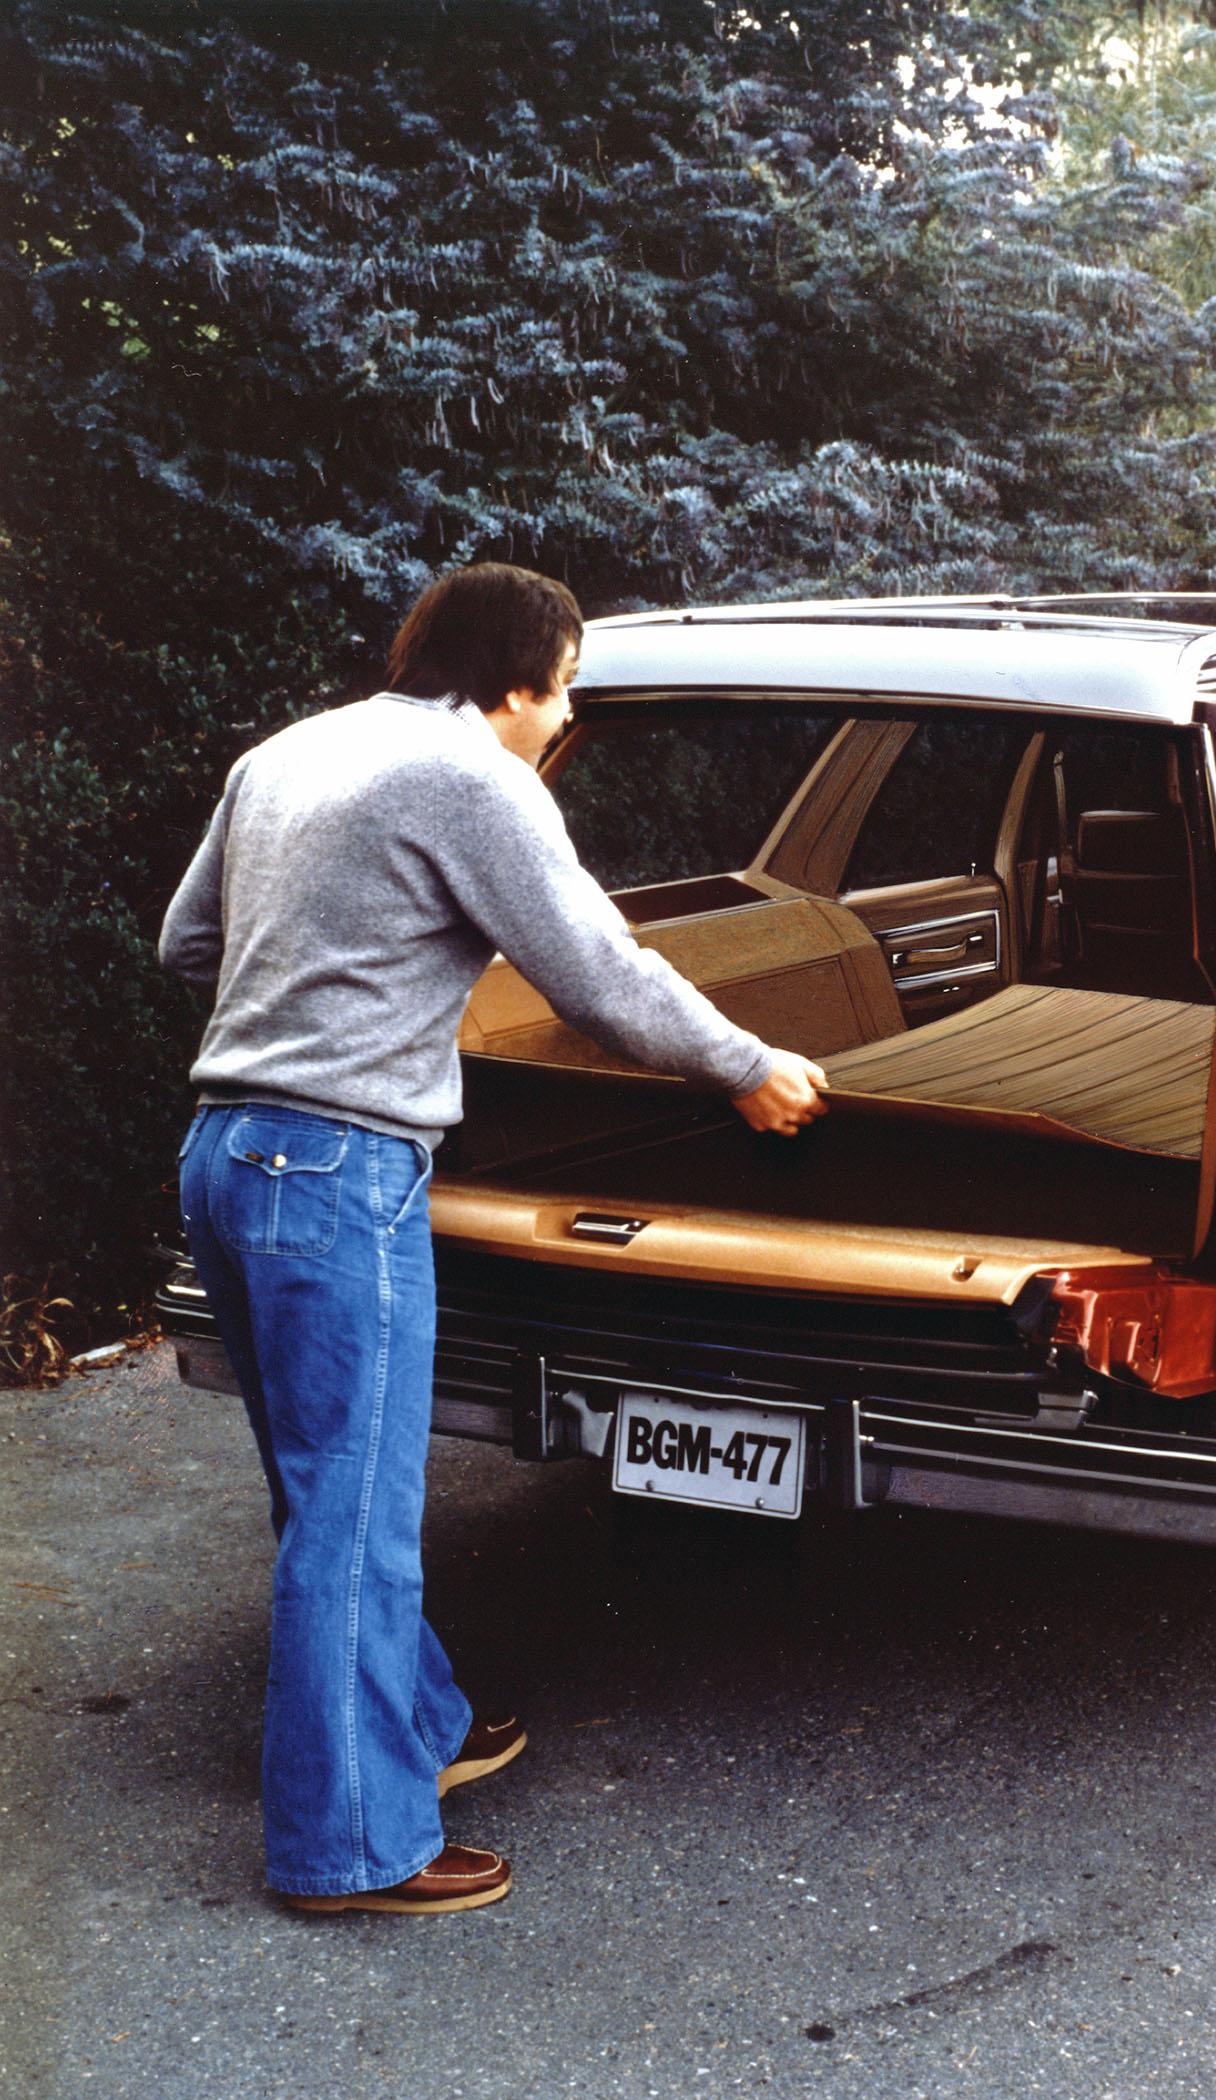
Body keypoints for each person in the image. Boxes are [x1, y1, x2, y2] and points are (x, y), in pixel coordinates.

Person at [159, 562, 825, 1916]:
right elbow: (599, 975)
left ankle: (422, 1729)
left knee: (324, 1496)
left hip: (222, 1157)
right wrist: (749, 1065)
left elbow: (189, 946)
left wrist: (333, 994)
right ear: (515, 679)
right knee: (356, 1521)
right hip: (339, 1170)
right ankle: (352, 1850)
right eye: (564, 685)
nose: (562, 715)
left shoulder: (289, 752)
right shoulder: (472, 778)